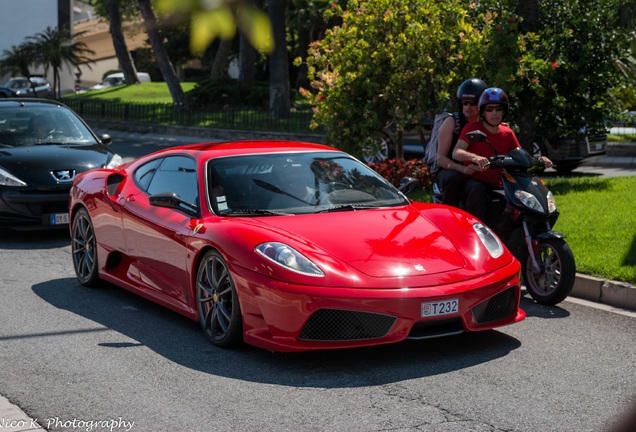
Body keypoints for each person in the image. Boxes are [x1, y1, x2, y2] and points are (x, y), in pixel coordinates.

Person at [452, 87, 553, 220]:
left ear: (504, 111)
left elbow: (520, 156)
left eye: (498, 109)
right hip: (474, 180)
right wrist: (475, 157)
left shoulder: (508, 133)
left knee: (519, 199)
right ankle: (475, 230)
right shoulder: (472, 128)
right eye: (489, 109)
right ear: (483, 112)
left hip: (499, 183)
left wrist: (540, 160)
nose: (494, 113)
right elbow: (456, 152)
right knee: (477, 190)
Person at [434, 78, 488, 206]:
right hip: (451, 170)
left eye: (473, 103)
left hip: (475, 172)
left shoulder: (488, 123)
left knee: (479, 188)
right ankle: (449, 217)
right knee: (453, 178)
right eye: (465, 103)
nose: (468, 107)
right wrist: (462, 169)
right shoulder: (452, 122)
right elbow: (440, 159)